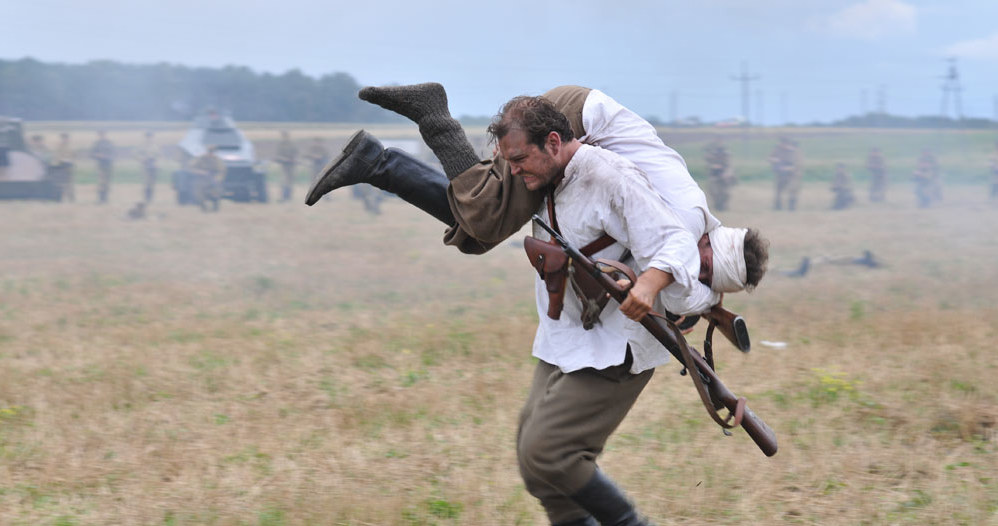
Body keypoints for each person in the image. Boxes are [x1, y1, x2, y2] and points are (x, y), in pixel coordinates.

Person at [307, 85, 770, 525]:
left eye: (711, 284)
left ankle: (382, 159)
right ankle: (420, 125)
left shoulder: (673, 227)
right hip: (574, 113)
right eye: (709, 271)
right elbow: (679, 255)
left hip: (574, 126)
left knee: (476, 232)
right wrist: (660, 288)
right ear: (712, 240)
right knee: (485, 215)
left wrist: (687, 296)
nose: (701, 279)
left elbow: (684, 275)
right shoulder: (686, 213)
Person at [768, 137, 801, 211]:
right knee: (778, 190)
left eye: (783, 144)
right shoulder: (778, 149)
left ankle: (791, 207)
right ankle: (777, 206)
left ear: (787, 144)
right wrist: (774, 160)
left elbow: (798, 165)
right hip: (781, 174)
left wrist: (787, 168)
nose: (781, 146)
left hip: (793, 175)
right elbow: (770, 157)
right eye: (780, 144)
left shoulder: (795, 151)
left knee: (793, 189)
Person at [704, 136, 736, 211]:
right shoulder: (711, 153)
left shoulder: (726, 154)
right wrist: (713, 166)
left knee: (725, 193)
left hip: (724, 175)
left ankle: (723, 206)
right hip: (714, 175)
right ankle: (717, 205)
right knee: (714, 192)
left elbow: (729, 165)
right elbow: (708, 163)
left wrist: (728, 174)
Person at [190, 145, 225, 212]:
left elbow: (221, 171)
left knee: (216, 193)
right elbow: (191, 168)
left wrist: (217, 179)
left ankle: (215, 208)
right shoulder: (200, 158)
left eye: (212, 152)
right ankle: (203, 208)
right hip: (201, 179)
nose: (211, 154)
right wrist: (200, 172)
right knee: (198, 194)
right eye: (210, 152)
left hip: (213, 178)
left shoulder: (217, 159)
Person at [90, 130, 115, 204]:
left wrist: (108, 156)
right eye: (100, 135)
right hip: (100, 165)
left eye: (103, 134)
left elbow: (114, 153)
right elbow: (91, 154)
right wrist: (98, 155)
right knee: (101, 182)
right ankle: (100, 199)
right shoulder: (96, 144)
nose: (102, 136)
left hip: (108, 164)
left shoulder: (109, 143)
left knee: (107, 182)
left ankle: (105, 199)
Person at [274, 131, 298, 202]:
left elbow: (296, 153)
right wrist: (283, 159)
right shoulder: (280, 145)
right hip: (284, 165)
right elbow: (278, 155)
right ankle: (284, 196)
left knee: (290, 181)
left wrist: (293, 159)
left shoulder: (292, 144)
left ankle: (288, 196)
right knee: (284, 181)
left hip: (291, 165)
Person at [136, 131, 158, 202]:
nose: (150, 138)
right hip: (145, 166)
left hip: (153, 166)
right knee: (146, 183)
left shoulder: (155, 146)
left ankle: (151, 198)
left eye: (151, 137)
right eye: (148, 137)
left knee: (152, 183)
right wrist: (142, 159)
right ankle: (146, 198)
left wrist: (157, 163)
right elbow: (135, 154)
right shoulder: (141, 146)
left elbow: (159, 155)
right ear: (146, 137)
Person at [53, 133, 75, 202]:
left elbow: (74, 156)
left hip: (69, 167)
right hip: (61, 166)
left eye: (66, 138)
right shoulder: (59, 147)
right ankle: (60, 198)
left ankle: (71, 199)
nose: (65, 139)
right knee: (61, 183)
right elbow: (57, 157)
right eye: (63, 138)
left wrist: (71, 161)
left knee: (70, 183)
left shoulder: (71, 147)